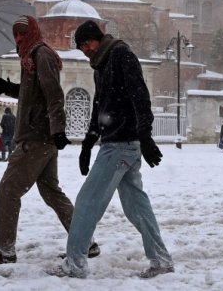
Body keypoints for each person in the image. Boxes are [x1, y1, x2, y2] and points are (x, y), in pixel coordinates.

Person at [50, 19, 173, 279]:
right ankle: (161, 259)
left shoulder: (121, 55)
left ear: (98, 38)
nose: (85, 49)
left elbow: (141, 96)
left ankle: (75, 263)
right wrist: (87, 143)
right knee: (136, 207)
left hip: (121, 145)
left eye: (87, 43)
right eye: (81, 46)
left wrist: (146, 136)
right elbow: (99, 106)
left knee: (87, 202)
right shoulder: (101, 63)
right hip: (118, 143)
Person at [0, 15, 98, 265]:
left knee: (8, 191)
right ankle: (86, 243)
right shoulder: (30, 57)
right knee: (51, 192)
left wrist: (58, 129)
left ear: (32, 32)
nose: (18, 38)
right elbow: (32, 92)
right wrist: (6, 87)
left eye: (22, 33)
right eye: (15, 34)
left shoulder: (41, 55)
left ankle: (5, 250)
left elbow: (54, 94)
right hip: (40, 136)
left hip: (37, 138)